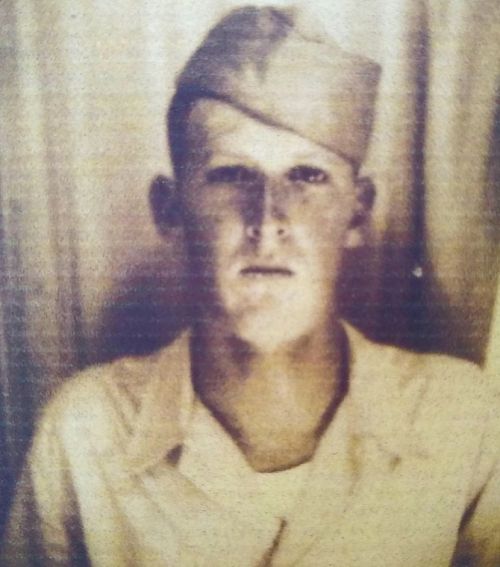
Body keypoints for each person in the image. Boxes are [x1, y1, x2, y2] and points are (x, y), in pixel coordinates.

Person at [2, 6, 500, 566]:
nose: (268, 220)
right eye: (232, 174)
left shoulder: (462, 420)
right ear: (170, 209)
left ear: (358, 213)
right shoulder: (84, 433)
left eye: (307, 175)